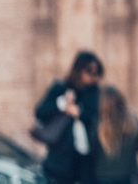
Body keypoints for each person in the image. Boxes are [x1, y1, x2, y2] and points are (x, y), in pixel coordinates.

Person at [35, 50, 104, 184]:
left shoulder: (96, 93)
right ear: (79, 69)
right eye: (90, 71)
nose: (93, 76)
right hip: (59, 161)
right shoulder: (60, 88)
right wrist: (61, 105)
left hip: (86, 161)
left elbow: (100, 119)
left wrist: (79, 112)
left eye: (97, 73)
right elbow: (40, 112)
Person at [95, 85, 138, 184]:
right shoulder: (133, 122)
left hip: (103, 176)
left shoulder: (98, 125)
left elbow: (90, 150)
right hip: (128, 175)